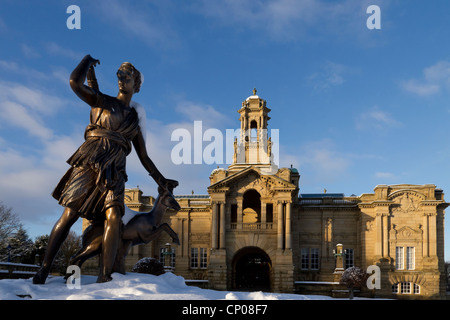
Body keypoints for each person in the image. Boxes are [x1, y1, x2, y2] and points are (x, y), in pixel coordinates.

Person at [33, 54, 177, 283]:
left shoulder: (134, 119)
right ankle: (44, 268)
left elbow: (144, 157)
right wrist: (86, 61)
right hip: (92, 159)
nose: (121, 79)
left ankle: (105, 276)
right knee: (70, 213)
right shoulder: (102, 100)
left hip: (116, 169)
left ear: (136, 83)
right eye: (119, 75)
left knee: (113, 216)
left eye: (126, 76)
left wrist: (162, 180)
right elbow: (74, 83)